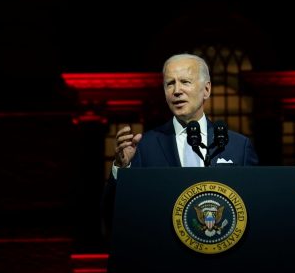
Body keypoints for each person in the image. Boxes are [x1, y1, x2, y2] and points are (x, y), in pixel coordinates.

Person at [101, 53, 259, 234]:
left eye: (185, 82)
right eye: (170, 83)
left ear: (206, 90)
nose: (176, 90)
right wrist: (122, 169)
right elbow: (114, 218)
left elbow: (254, 211)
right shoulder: (145, 147)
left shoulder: (238, 146)